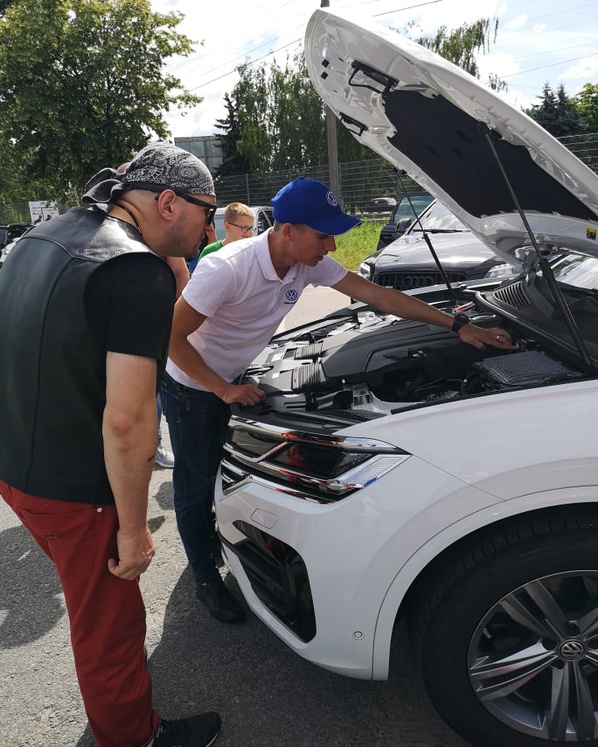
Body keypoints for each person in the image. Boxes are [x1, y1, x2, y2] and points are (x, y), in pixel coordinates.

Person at [161, 176, 515, 625]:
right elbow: (169, 338)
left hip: (234, 377)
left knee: (222, 467)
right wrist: (222, 389)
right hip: (192, 386)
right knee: (194, 483)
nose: (331, 246)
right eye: (323, 235)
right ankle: (204, 576)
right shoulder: (227, 269)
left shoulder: (305, 263)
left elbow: (377, 295)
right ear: (288, 230)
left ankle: (216, 536)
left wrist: (458, 326)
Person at [0, 141, 221, 747]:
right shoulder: (135, 271)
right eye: (207, 212)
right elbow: (128, 420)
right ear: (169, 203)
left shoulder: (41, 236)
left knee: (92, 608)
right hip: (78, 492)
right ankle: (134, 738)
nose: (209, 229)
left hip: (17, 467)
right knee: (109, 628)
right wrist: (132, 526)